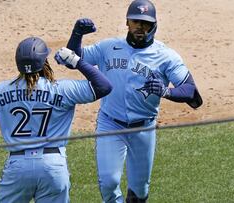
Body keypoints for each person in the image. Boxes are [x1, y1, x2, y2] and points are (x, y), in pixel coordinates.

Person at [65, 0, 203, 202]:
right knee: (109, 182)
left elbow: (190, 90)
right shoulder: (108, 47)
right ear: (127, 23)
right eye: (135, 21)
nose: (140, 26)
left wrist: (166, 92)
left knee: (139, 191)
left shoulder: (166, 56)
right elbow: (73, 58)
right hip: (110, 124)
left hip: (144, 128)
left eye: (145, 23)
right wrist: (76, 34)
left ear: (154, 25)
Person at [0, 36, 112, 203]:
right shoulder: (63, 89)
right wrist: (76, 61)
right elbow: (104, 86)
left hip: (17, 167)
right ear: (44, 61)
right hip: (53, 166)